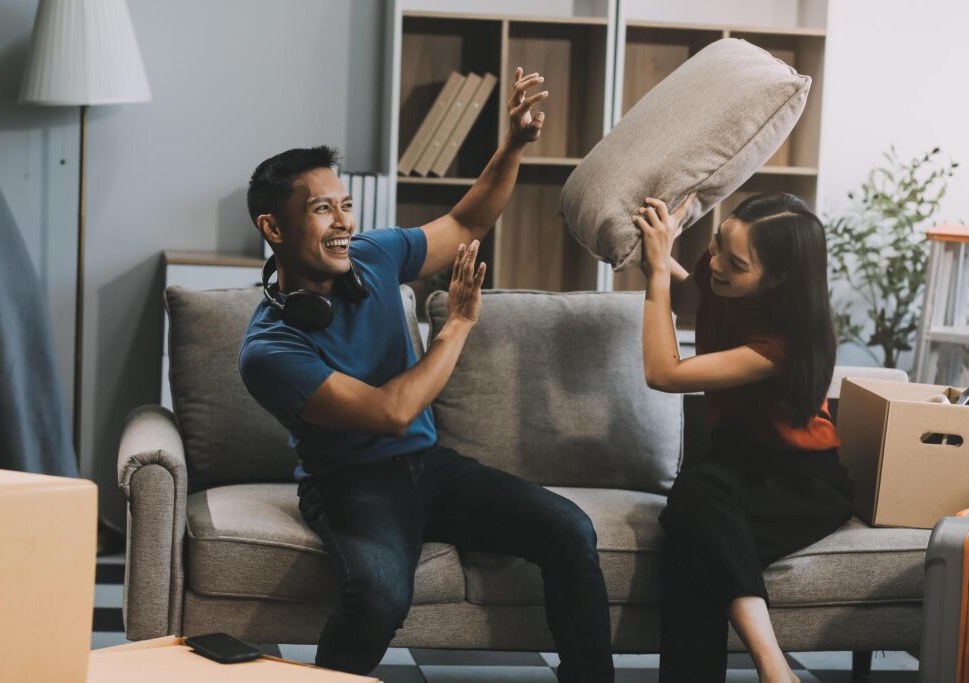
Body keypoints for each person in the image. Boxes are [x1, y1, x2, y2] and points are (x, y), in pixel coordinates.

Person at [238, 68, 614, 682]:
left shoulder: (375, 257)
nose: (343, 223)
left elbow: (466, 223)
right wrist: (458, 325)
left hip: (432, 467)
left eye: (346, 205)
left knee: (569, 528)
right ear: (273, 229)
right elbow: (390, 412)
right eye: (322, 209)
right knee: (382, 597)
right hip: (352, 484)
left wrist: (513, 144)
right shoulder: (269, 348)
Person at [631, 192, 854, 683]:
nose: (714, 264)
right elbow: (692, 295)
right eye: (715, 246)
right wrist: (657, 246)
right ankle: (777, 674)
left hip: (801, 484)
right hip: (733, 468)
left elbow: (663, 373)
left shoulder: (782, 344)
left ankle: (772, 667)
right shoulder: (722, 276)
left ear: (777, 279)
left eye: (734, 263)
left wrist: (654, 275)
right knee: (691, 532)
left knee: (692, 512)